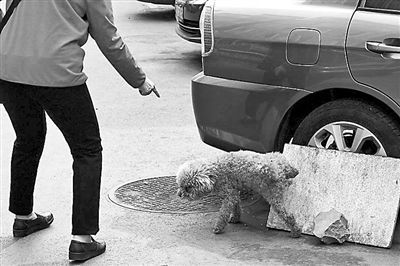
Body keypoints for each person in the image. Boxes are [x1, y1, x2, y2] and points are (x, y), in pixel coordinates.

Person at [0, 0, 159, 261]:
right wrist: (139, 80)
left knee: (28, 137)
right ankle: (82, 239)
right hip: (56, 70)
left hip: (7, 67)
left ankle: (23, 216)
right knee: (87, 149)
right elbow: (108, 38)